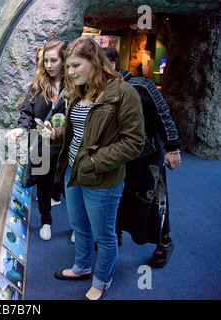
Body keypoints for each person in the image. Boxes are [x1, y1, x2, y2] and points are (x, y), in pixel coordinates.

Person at [39, 37, 145, 300]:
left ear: (95, 61)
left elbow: (134, 143)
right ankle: (82, 267)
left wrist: (95, 162)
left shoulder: (124, 93)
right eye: (69, 68)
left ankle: (101, 281)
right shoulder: (81, 90)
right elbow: (79, 133)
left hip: (102, 179)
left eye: (76, 65)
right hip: (72, 172)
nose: (71, 73)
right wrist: (56, 134)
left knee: (104, 235)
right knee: (79, 226)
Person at [103, 47, 181, 268]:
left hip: (147, 157)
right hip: (118, 158)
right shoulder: (101, 89)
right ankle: (114, 236)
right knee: (117, 198)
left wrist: (173, 148)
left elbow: (163, 115)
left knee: (154, 200)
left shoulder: (141, 85)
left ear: (111, 64)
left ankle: (164, 243)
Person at [5, 40, 67, 241]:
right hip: (43, 146)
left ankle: (77, 228)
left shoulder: (75, 85)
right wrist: (21, 128)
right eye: (46, 61)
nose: (49, 65)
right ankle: (46, 221)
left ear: (64, 60)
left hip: (68, 146)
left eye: (54, 60)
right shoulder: (37, 86)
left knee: (71, 187)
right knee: (43, 185)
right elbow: (27, 113)